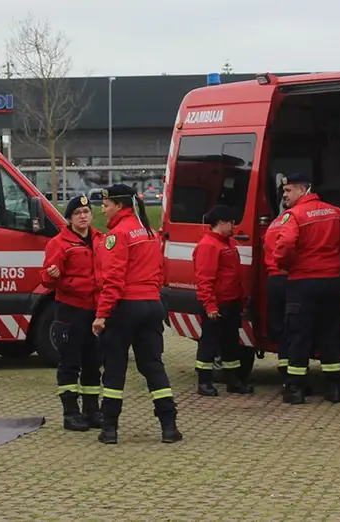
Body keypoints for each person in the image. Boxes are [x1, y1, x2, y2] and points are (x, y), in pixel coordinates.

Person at [92, 183, 181, 445]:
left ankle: (109, 429)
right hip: (152, 305)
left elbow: (113, 279)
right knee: (153, 366)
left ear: (119, 206)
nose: (102, 210)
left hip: (125, 307)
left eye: (106, 205)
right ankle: (169, 426)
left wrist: (101, 314)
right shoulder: (150, 233)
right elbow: (159, 271)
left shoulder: (117, 235)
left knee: (115, 368)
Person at [271, 173, 340, 405]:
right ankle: (334, 389)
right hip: (331, 282)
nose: (284, 195)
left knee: (299, 335)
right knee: (329, 334)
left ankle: (295, 389)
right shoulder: (335, 212)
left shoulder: (293, 215)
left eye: (288, 191)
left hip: (303, 282)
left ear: (303, 190)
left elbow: (285, 245)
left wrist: (283, 264)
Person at [42, 195, 104, 432]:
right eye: (77, 213)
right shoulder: (60, 243)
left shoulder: (100, 240)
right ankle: (70, 413)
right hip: (70, 310)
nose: (82, 216)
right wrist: (52, 275)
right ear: (69, 218)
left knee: (93, 361)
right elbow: (46, 279)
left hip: (95, 310)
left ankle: (92, 409)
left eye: (86, 211)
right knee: (70, 362)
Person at [193, 204, 254, 396]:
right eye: (231, 223)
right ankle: (204, 381)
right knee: (210, 343)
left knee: (230, 343)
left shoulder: (227, 243)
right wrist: (210, 305)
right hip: (217, 304)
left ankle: (233, 380)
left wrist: (241, 299)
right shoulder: (208, 245)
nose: (234, 226)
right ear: (220, 222)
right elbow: (204, 279)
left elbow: (234, 275)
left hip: (231, 302)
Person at [263, 191, 295, 380]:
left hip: (273, 279)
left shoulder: (274, 224)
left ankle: (284, 369)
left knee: (281, 326)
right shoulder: (292, 223)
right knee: (294, 326)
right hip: (287, 277)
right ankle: (292, 370)